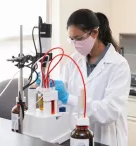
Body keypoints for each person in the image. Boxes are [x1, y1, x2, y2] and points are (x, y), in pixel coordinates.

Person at [54, 9, 131, 146]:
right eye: (71, 39)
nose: (75, 44)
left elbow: (110, 111)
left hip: (106, 138)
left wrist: (69, 98)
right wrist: (51, 90)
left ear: (94, 33)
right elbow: (62, 98)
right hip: (77, 135)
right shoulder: (74, 60)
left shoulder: (118, 65)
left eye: (78, 38)